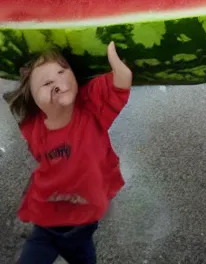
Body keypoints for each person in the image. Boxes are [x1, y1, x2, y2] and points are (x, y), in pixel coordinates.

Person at [4, 41, 132, 263]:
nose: (58, 82)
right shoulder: (34, 128)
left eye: (62, 72)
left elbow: (119, 85)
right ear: (33, 98)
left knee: (83, 256)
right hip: (45, 226)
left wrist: (116, 62)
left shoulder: (90, 106)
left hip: (82, 225)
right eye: (46, 83)